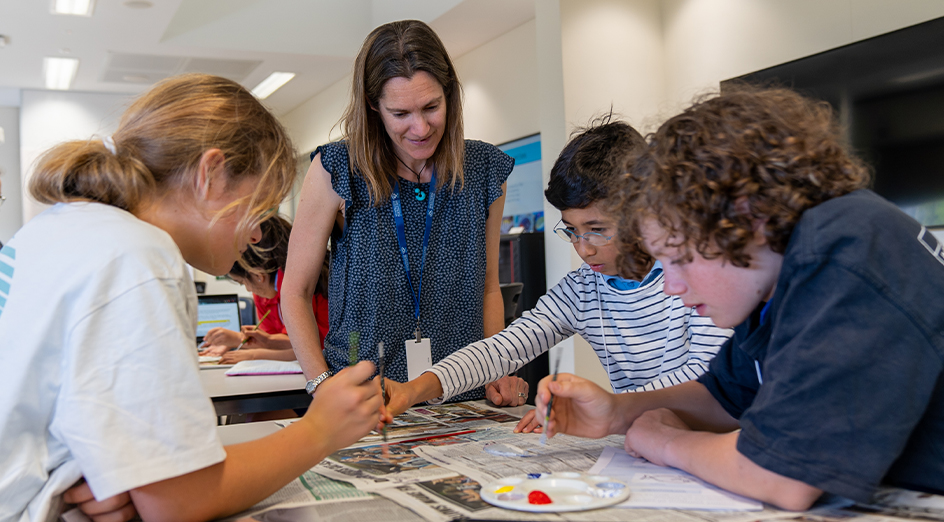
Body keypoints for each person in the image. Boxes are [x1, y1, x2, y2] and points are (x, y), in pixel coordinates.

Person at [535, 87, 944, 510]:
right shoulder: (778, 273)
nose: (671, 285)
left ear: (746, 217)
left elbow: (785, 476)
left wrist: (667, 441)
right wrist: (617, 413)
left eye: (680, 258)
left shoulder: (845, 250)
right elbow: (724, 397)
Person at [0, 74, 383, 522]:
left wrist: (119, 476)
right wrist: (320, 430)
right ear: (212, 174)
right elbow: (181, 502)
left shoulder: (58, 228)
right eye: (258, 209)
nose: (259, 233)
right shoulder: (138, 256)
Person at [383, 116, 731, 431]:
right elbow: (503, 349)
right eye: (571, 230)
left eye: (597, 229)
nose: (583, 248)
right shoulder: (583, 288)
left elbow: (709, 380)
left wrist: (607, 408)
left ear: (643, 213)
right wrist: (415, 389)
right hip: (646, 441)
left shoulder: (692, 278)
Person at [283, 19, 525, 404]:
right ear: (373, 106)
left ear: (450, 96)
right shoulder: (337, 169)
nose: (421, 127)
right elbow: (295, 292)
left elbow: (489, 287)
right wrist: (321, 383)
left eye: (432, 106)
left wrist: (499, 370)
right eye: (401, 114)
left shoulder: (483, 170)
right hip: (362, 395)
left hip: (461, 390)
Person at [198, 215, 330, 364]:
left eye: (242, 282)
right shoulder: (263, 293)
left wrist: (249, 350)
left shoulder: (296, 283)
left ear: (258, 275)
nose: (248, 289)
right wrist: (252, 344)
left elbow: (306, 347)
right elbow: (282, 342)